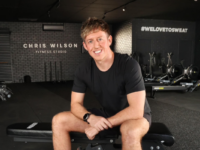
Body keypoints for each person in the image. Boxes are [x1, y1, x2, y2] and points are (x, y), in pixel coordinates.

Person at [52, 17, 151, 150]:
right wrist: (90, 118)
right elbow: (75, 104)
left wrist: (102, 124)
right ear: (85, 46)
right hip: (107, 115)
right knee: (59, 121)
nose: (96, 45)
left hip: (136, 117)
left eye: (100, 39)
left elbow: (136, 110)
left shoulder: (129, 65)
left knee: (130, 131)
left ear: (109, 40)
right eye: (90, 41)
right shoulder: (83, 70)